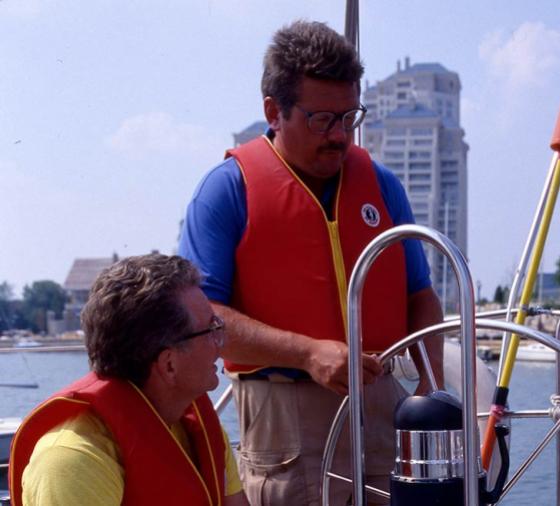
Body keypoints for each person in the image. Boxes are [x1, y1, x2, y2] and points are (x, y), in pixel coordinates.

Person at [178, 19, 444, 506]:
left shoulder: (383, 186)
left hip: (384, 405)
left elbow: (421, 295)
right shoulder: (224, 191)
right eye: (322, 120)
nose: (340, 136)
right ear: (273, 112)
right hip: (283, 417)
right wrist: (306, 352)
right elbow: (199, 319)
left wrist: (431, 382)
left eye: (350, 118)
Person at [9, 253, 248, 506]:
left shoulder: (198, 429)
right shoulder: (73, 462)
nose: (220, 344)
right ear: (169, 365)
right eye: (211, 330)